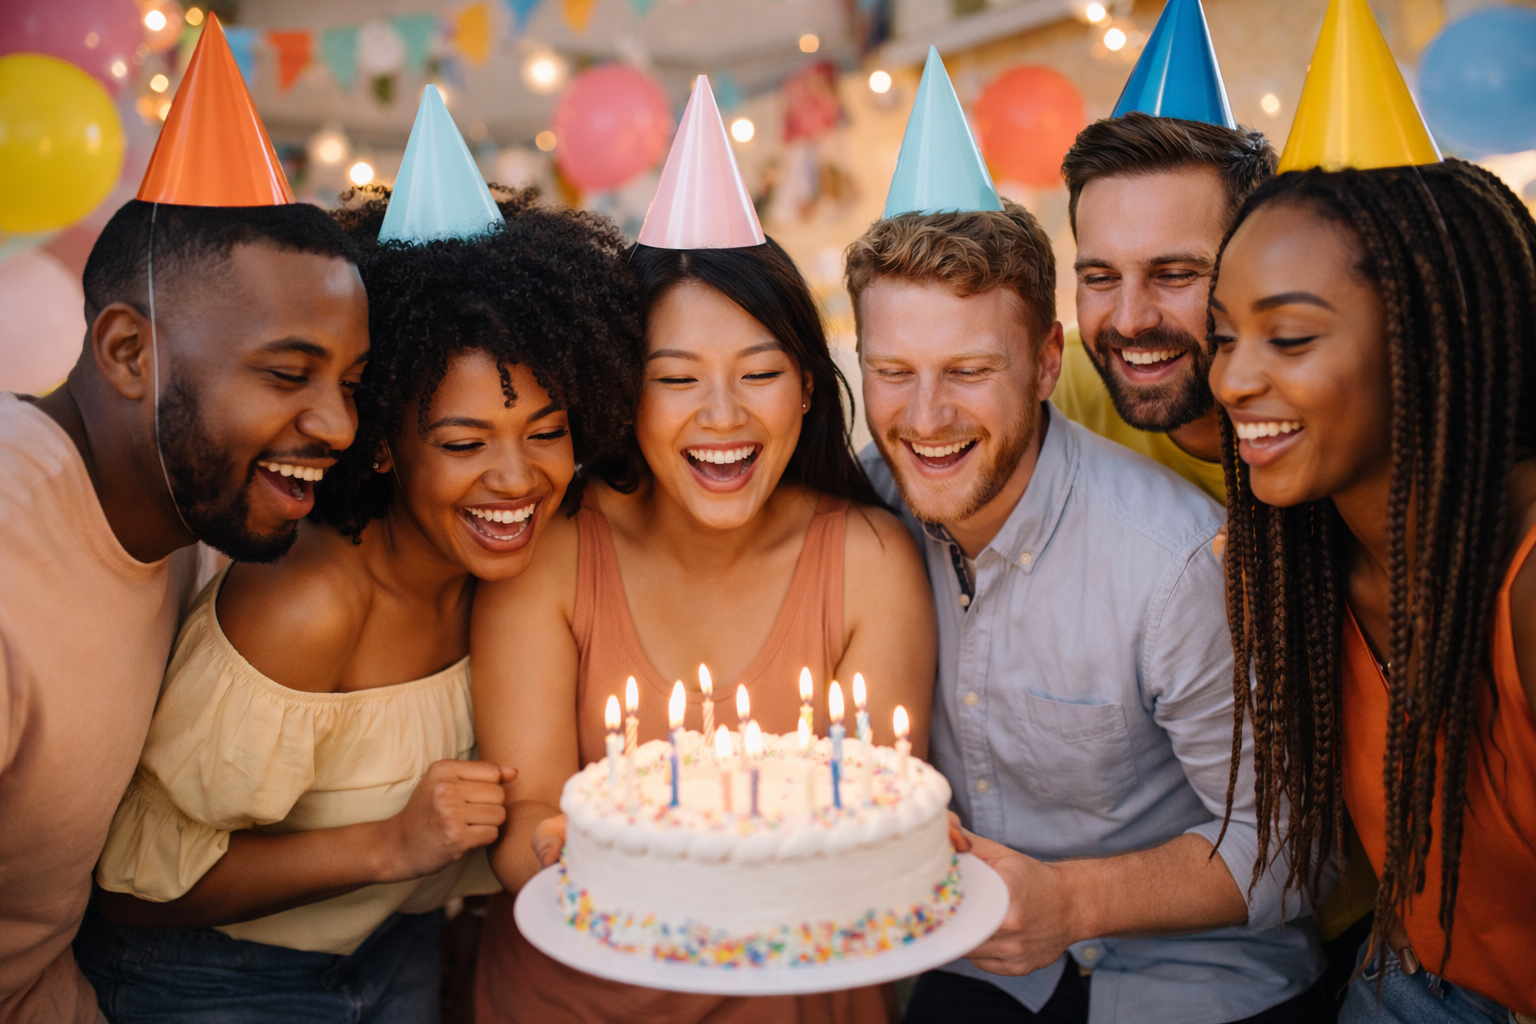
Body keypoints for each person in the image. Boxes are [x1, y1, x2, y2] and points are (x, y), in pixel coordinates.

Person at [72, 88, 645, 1024]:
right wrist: (393, 845)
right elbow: (133, 885)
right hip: (216, 980)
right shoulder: (307, 606)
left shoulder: (526, 568)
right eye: (463, 444)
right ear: (381, 441)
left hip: (396, 956)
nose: (515, 480)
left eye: (544, 431)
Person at [849, 48, 1325, 1024]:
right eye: (894, 370)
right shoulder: (864, 508)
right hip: (979, 963)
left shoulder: (1177, 561)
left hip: (1191, 975)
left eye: (969, 369)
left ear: (1044, 362)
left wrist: (1074, 901)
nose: (927, 417)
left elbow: (1290, 851)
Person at [470, 77, 936, 1024]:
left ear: (808, 387)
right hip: (577, 994)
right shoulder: (558, 550)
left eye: (759, 374)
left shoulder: (871, 561)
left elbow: (870, 814)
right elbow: (525, 823)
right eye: (675, 379)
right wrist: (568, 847)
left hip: (801, 992)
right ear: (623, 393)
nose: (722, 417)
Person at [0, 19, 370, 1024]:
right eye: (288, 374)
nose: (336, 423)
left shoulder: (193, 509)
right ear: (127, 353)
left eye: (351, 382)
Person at [1207, 6, 1536, 1020]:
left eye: (1290, 339)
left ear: (1431, 343)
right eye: (1223, 337)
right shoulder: (1288, 563)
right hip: (1423, 977)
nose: (1231, 380)